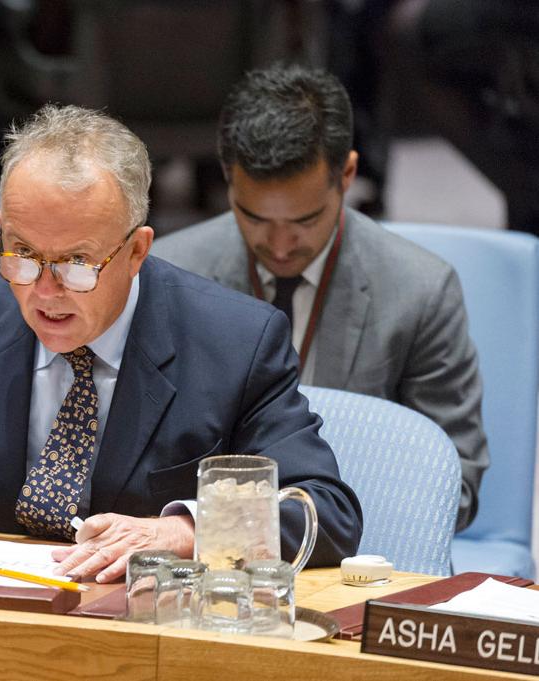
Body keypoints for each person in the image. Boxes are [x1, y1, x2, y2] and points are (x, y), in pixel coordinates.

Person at [0, 104, 362, 582]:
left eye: (77, 263)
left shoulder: (234, 342)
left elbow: (325, 511)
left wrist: (184, 530)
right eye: (22, 253)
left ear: (137, 251)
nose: (45, 290)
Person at [151, 64, 487, 532]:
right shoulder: (171, 276)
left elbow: (456, 485)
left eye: (305, 220)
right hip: (206, 552)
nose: (280, 246)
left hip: (361, 551)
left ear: (346, 174)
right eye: (254, 217)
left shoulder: (421, 292)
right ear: (227, 178)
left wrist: (307, 522)